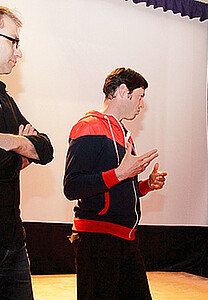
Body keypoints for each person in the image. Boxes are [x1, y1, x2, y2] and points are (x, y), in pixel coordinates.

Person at [64, 67, 167, 299]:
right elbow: (72, 186)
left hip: (125, 239)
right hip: (98, 240)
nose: (141, 105)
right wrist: (120, 174)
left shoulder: (123, 134)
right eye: (140, 96)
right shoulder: (88, 127)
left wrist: (146, 185)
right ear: (123, 91)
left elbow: (118, 189)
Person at [0, 6, 54, 300]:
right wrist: (22, 153)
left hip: (14, 244)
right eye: (13, 41)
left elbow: (45, 149)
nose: (18, 53)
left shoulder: (6, 100)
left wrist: (13, 143)